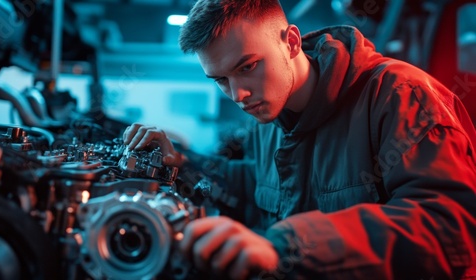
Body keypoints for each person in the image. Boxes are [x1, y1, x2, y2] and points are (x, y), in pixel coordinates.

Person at [123, 0, 476, 279]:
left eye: (248, 66)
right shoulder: (266, 116)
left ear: (291, 41)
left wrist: (290, 245)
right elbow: (255, 187)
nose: (239, 94)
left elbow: (449, 226)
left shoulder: (400, 96)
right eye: (220, 80)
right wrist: (182, 164)